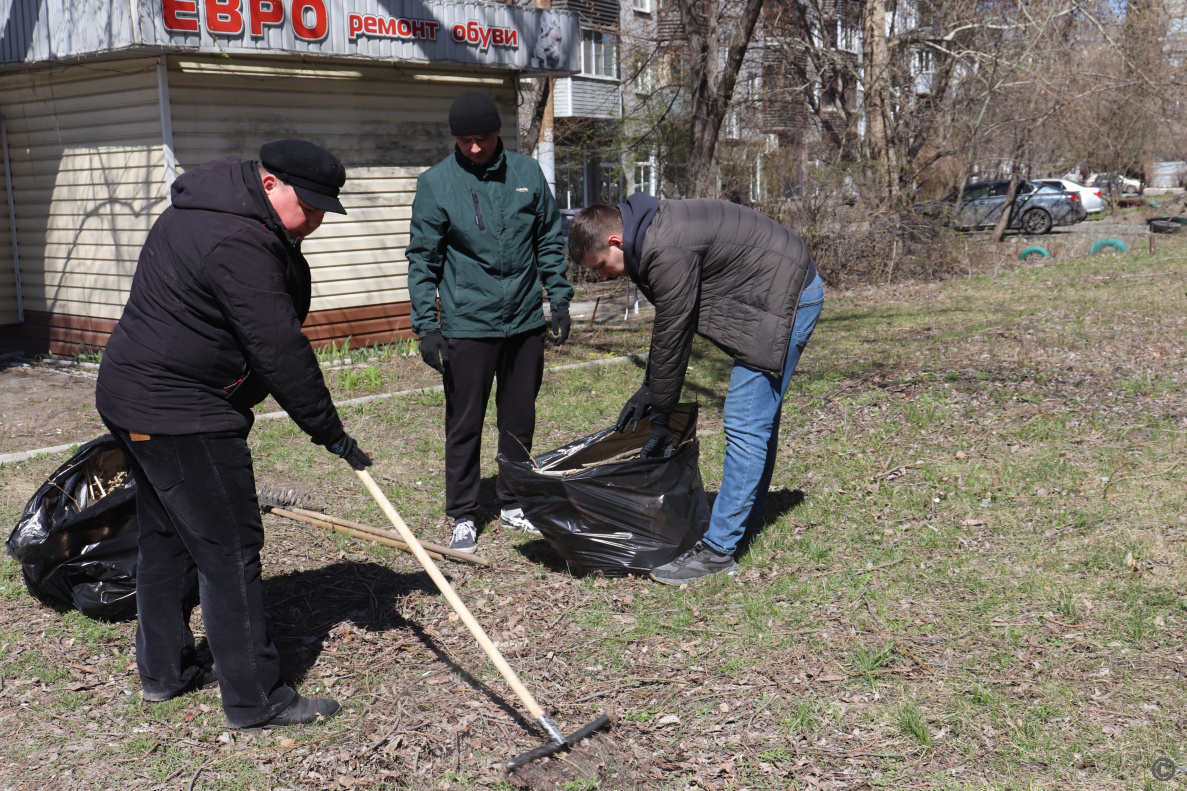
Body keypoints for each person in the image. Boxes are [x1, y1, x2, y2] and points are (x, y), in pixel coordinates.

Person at [95, 140, 372, 729]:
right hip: (178, 411)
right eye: (312, 206)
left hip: (132, 395)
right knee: (230, 551)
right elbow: (279, 349)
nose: (317, 220)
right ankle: (256, 699)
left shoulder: (209, 208)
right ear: (270, 184)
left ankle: (164, 673)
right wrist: (330, 432)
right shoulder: (238, 240)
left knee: (167, 537)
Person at [567, 195, 824, 585]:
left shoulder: (664, 247)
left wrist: (661, 421)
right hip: (772, 289)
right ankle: (742, 518)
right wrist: (650, 388)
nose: (602, 276)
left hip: (785, 299)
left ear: (616, 241)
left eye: (601, 266)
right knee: (756, 420)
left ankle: (718, 551)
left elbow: (674, 330)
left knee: (745, 421)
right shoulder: (649, 232)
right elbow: (674, 324)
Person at [406, 91, 574, 554]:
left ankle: (513, 500)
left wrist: (558, 298)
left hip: (523, 323)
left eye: (481, 139)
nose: (474, 148)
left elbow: (547, 238)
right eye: (464, 141)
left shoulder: (527, 174)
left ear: (498, 132)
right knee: (465, 423)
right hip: (467, 325)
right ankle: (462, 513)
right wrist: (429, 326)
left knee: (519, 419)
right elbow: (423, 260)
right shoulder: (437, 184)